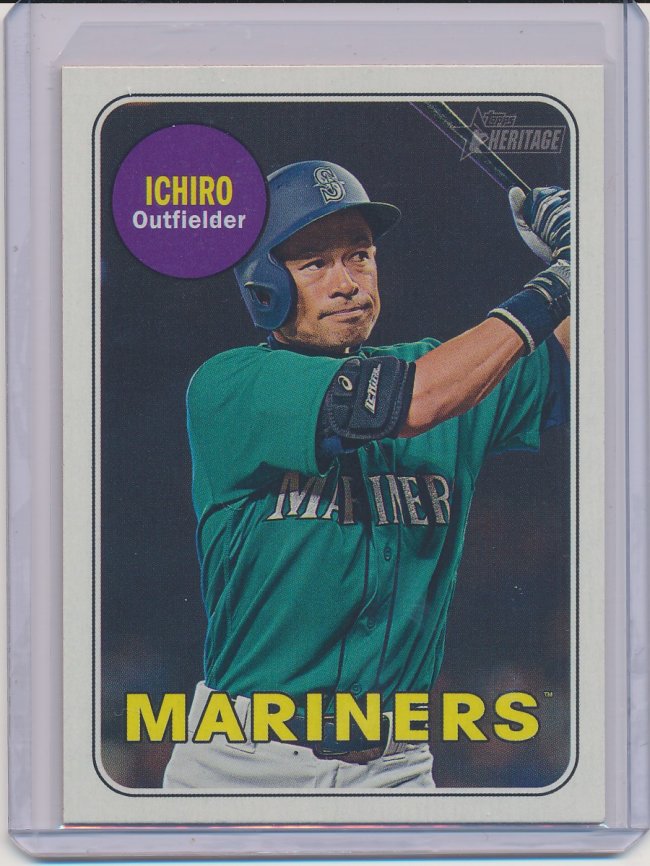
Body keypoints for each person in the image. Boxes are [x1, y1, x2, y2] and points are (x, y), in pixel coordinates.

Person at [163, 160, 570, 790]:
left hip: (395, 767)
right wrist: (557, 283)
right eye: (315, 263)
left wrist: (609, 255)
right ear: (265, 284)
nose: (347, 282)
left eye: (359, 255)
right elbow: (408, 402)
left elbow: (587, 356)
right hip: (244, 763)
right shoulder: (231, 386)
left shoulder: (448, 373)